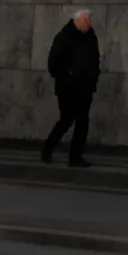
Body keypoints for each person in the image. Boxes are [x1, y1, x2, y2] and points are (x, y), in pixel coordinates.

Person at [43, 9, 101, 167]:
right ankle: (47, 149)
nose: (88, 23)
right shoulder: (63, 37)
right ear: (77, 20)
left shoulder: (91, 37)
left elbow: (95, 60)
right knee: (66, 120)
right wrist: (67, 77)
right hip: (67, 89)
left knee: (82, 123)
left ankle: (75, 157)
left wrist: (93, 78)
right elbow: (53, 63)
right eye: (86, 20)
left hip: (85, 88)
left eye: (89, 20)